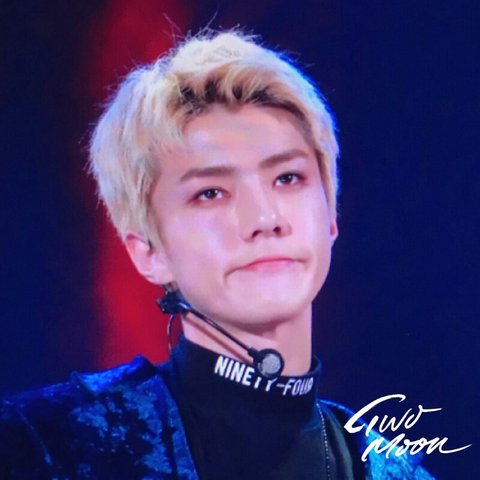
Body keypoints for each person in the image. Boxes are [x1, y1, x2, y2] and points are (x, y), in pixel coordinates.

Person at [0, 30, 434, 479]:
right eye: (211, 192)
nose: (265, 217)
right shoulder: (44, 445)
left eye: (287, 178)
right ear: (149, 251)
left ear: (330, 217)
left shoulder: (397, 470)